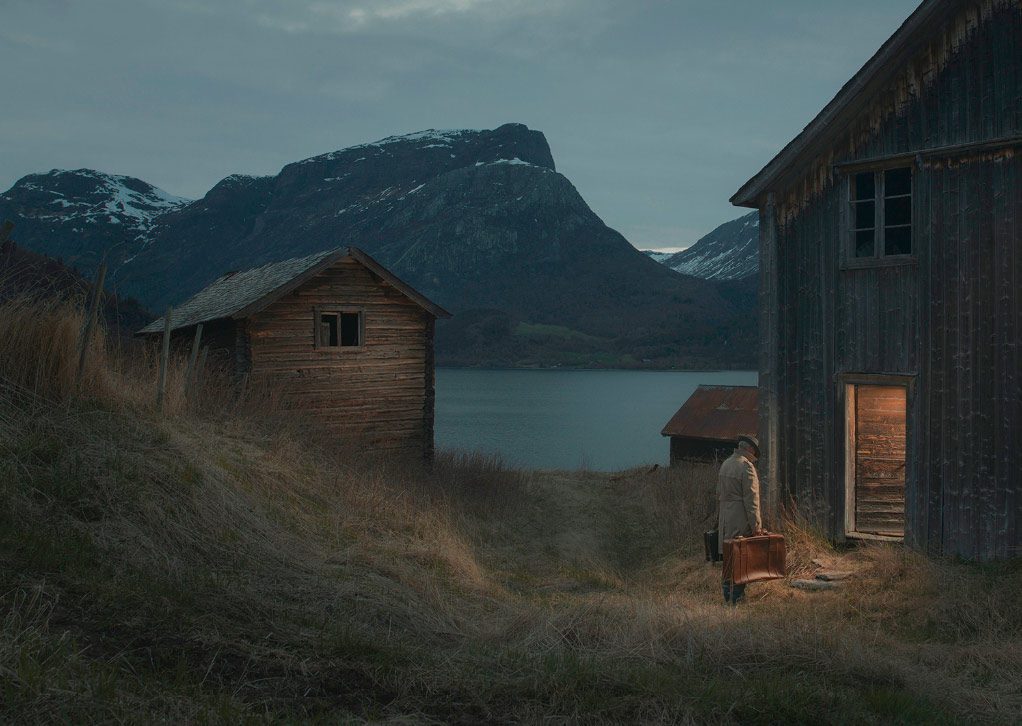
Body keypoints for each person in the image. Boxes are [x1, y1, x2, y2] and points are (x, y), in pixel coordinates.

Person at [717, 435, 763, 604]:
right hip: (740, 517)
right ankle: (736, 597)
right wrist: (756, 526)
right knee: (740, 558)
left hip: (725, 517)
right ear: (750, 449)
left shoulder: (726, 463)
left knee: (728, 558)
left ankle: (728, 595)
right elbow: (752, 500)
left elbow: (719, 492)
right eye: (754, 451)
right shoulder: (746, 467)